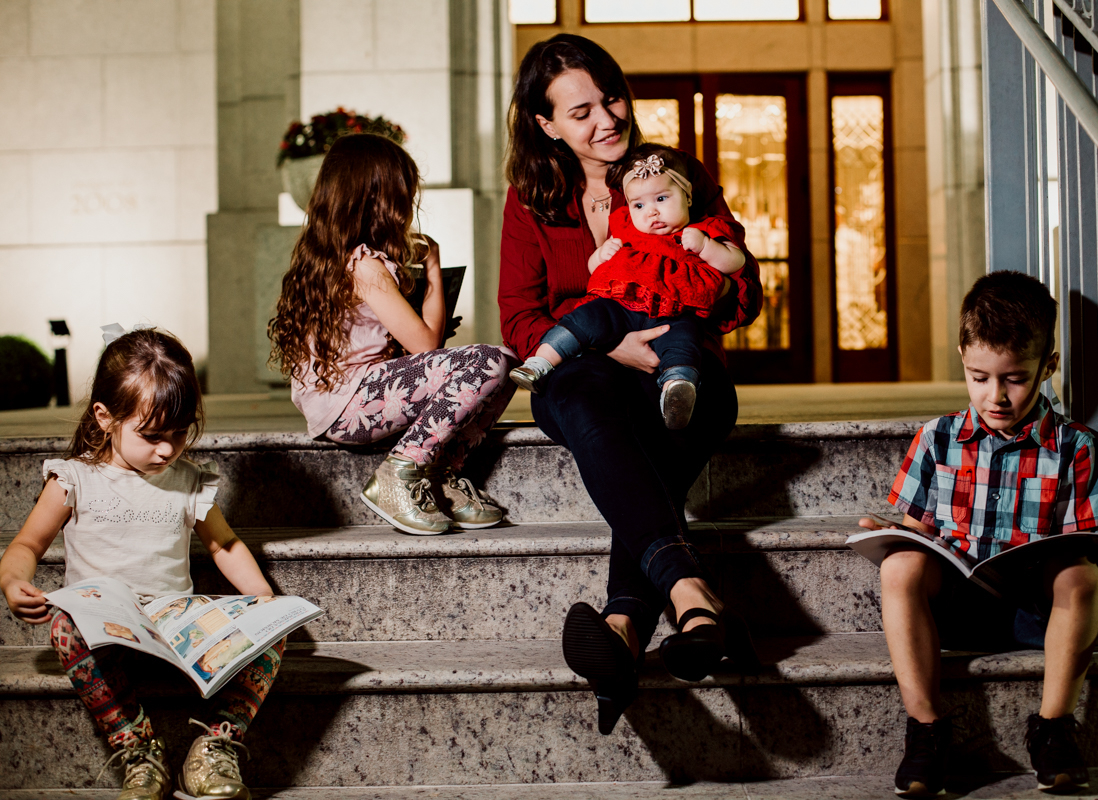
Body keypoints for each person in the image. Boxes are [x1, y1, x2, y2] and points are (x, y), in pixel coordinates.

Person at [499, 33, 764, 735]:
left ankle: (621, 627)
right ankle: (691, 594)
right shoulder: (531, 201)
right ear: (545, 124)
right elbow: (520, 320)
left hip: (685, 373)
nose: (606, 118)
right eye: (580, 111)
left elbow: (745, 299)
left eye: (611, 96)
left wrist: (705, 270)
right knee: (589, 398)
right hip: (583, 376)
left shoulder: (672, 174)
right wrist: (611, 339)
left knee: (664, 419)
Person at [857, 271, 1098, 797]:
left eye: (1015, 378)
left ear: (1047, 367)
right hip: (955, 607)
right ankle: (927, 731)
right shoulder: (938, 438)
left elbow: (1082, 538)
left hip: (1034, 612)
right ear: (962, 356)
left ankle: (1053, 730)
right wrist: (893, 535)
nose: (996, 395)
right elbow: (918, 532)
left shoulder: (1075, 447)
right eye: (979, 377)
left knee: (1079, 571)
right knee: (900, 564)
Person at [0, 326, 283, 800]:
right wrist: (13, 581)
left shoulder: (188, 480)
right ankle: (139, 748)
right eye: (152, 436)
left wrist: (264, 600)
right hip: (105, 628)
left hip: (174, 625)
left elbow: (224, 545)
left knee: (274, 635)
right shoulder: (74, 479)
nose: (168, 449)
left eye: (179, 433)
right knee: (63, 628)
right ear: (105, 417)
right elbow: (27, 544)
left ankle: (214, 749)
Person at [269, 133, 518, 535]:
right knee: (489, 360)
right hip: (350, 404)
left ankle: (442, 476)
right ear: (378, 198)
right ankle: (402, 471)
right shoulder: (366, 265)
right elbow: (424, 344)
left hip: (355, 399)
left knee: (507, 363)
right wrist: (433, 267)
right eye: (403, 194)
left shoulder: (338, 258)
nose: (408, 206)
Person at [509, 144, 746, 429]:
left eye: (662, 198)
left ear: (687, 195)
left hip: (673, 313)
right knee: (585, 318)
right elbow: (595, 271)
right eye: (639, 205)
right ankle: (540, 363)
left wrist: (706, 246)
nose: (652, 212)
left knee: (684, 340)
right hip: (620, 308)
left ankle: (677, 390)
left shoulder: (703, 230)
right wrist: (600, 255)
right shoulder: (625, 230)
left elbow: (735, 262)